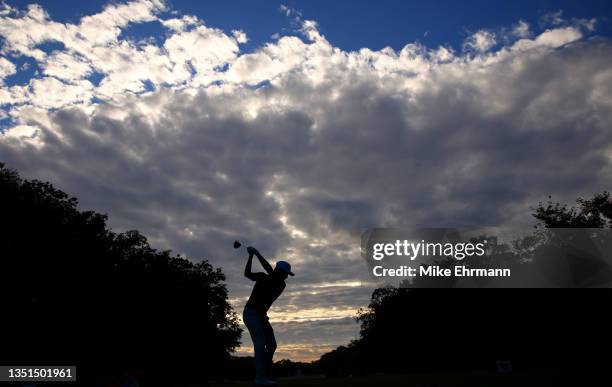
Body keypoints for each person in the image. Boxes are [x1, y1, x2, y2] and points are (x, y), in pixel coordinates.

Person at [243, 246, 294, 385]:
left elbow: (270, 272)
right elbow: (247, 274)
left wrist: (257, 253)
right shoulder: (265, 277)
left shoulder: (280, 284)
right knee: (260, 344)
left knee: (271, 345)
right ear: (280, 271)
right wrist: (251, 256)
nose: (286, 276)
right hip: (251, 313)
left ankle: (265, 375)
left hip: (261, 315)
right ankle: (260, 378)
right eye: (285, 273)